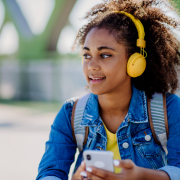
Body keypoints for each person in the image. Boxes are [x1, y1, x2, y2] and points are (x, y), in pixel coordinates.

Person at [36, 0, 180, 180]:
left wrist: (141, 176)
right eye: (87, 55)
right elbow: (49, 174)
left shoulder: (168, 110)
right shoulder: (70, 114)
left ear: (135, 62)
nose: (92, 66)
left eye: (105, 55)